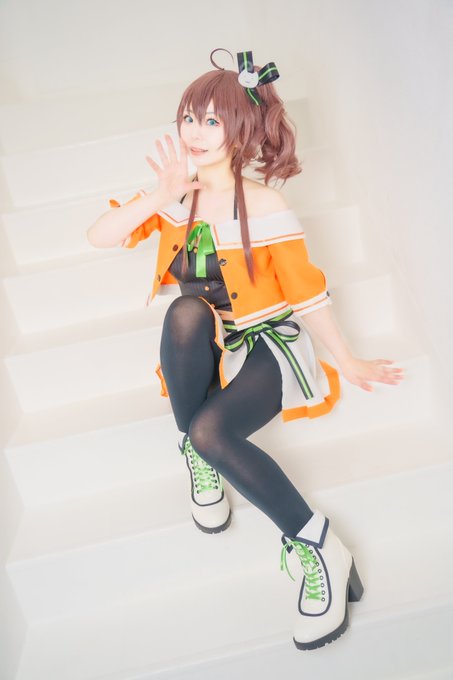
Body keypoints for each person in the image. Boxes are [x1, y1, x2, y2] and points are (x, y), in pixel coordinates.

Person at [87, 49, 404, 651]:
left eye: (213, 120)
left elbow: (307, 294)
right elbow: (99, 235)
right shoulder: (174, 198)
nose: (196, 131)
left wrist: (346, 358)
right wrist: (159, 195)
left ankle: (320, 546)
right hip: (210, 342)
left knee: (208, 430)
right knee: (184, 312)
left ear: (241, 129)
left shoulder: (265, 206)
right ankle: (199, 451)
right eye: (189, 117)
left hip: (266, 344)